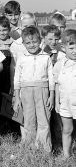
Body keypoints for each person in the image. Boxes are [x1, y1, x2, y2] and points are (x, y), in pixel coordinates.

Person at [13, 26, 54, 152]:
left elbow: (51, 78)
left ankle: (44, 148)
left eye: (34, 42)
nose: (32, 45)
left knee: (43, 120)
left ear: (40, 40)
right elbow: (17, 79)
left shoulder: (46, 57)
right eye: (28, 43)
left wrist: (51, 96)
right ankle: (29, 147)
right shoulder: (21, 58)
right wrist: (17, 97)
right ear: (23, 43)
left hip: (42, 90)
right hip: (26, 92)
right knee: (29, 120)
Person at [54, 30, 76, 159]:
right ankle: (66, 154)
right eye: (71, 47)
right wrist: (57, 102)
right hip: (66, 103)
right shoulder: (60, 65)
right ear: (63, 48)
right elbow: (57, 84)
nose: (75, 51)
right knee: (67, 130)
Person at [0, 16, 14, 136]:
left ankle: (11, 129)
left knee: (9, 103)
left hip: (9, 78)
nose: (2, 33)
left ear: (9, 29)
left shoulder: (14, 44)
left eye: (4, 30)